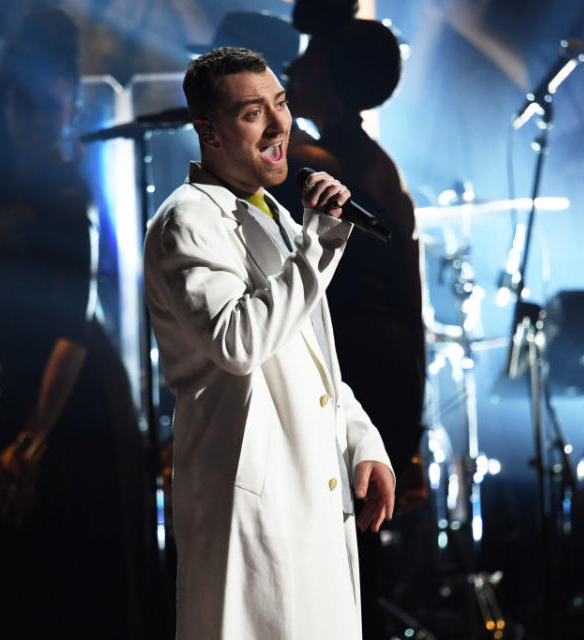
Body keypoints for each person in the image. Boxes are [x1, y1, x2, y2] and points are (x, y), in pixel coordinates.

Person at [143, 46, 395, 639]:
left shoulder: (275, 215)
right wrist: (318, 248)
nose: (281, 123)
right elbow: (238, 342)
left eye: (280, 103)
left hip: (311, 492)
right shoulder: (187, 220)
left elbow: (307, 356)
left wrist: (363, 440)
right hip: (252, 504)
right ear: (209, 132)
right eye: (254, 112)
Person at [0, 7, 154, 637]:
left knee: (75, 578)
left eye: (48, 108)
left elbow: (72, 326)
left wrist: (34, 439)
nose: (33, 122)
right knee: (25, 579)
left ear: (68, 112)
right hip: (27, 393)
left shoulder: (71, 197)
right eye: (23, 107)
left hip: (76, 403)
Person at [277, 16, 428, 638]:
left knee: (332, 557)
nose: (291, 69)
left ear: (333, 86)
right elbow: (412, 296)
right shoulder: (379, 165)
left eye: (307, 60)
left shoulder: (312, 164)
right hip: (388, 368)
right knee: (354, 554)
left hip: (354, 366)